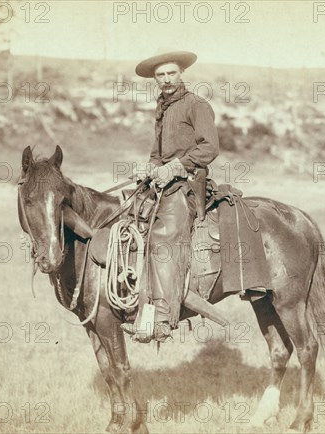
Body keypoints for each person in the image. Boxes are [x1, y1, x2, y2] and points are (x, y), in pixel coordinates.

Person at [122, 50, 219, 342]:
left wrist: (176, 167)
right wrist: (149, 169)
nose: (166, 80)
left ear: (181, 74)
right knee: (128, 219)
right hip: (164, 183)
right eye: (160, 75)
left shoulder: (197, 105)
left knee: (164, 236)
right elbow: (156, 154)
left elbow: (209, 148)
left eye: (171, 74)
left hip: (188, 185)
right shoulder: (162, 108)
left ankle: (162, 318)